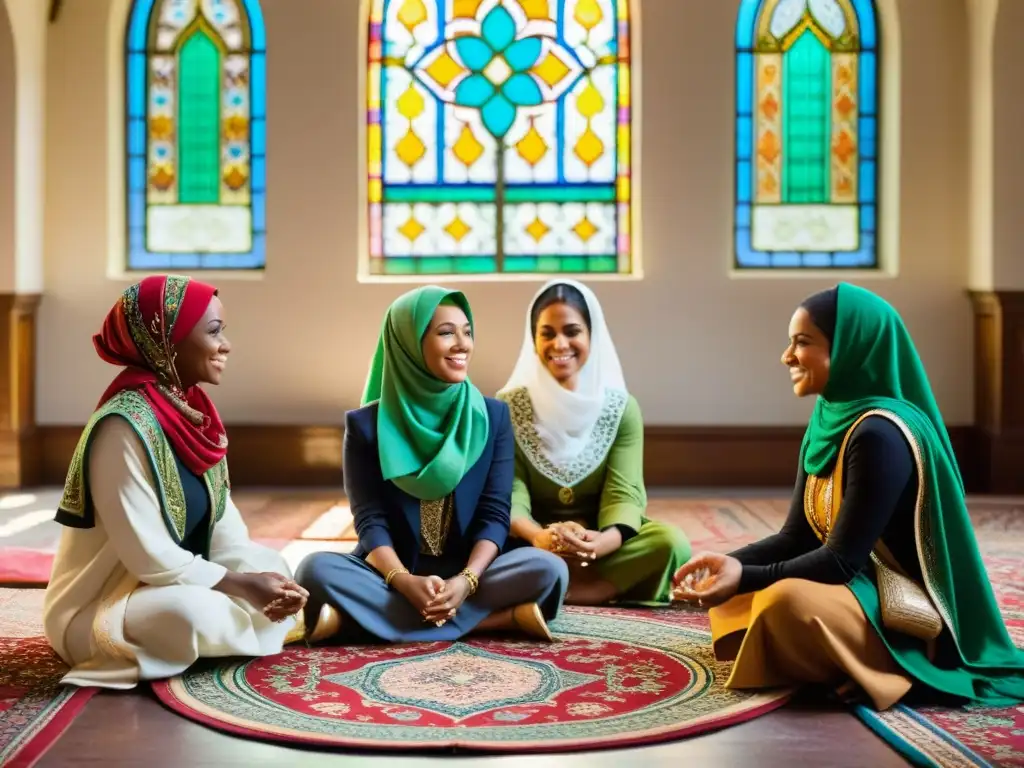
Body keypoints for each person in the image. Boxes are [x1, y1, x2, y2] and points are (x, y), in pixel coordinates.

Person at [672, 283, 1024, 710]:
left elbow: (840, 561)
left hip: (904, 611)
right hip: (854, 587)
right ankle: (838, 662)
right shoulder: (831, 416)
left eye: (803, 343)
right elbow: (795, 537)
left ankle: (898, 671)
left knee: (784, 602)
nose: (787, 357)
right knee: (748, 594)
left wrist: (745, 577)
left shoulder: (881, 432)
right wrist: (731, 564)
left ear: (851, 348)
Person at [43, 275, 307, 689]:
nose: (226, 345)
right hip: (108, 602)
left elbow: (224, 530)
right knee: (189, 612)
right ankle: (233, 630)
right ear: (167, 340)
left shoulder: (193, 413)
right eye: (215, 332)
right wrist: (241, 586)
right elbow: (147, 556)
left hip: (177, 582)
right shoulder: (122, 426)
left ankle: (230, 629)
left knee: (275, 567)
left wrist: (260, 580)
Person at [295, 286, 568, 644]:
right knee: (314, 569)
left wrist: (465, 582)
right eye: (445, 333)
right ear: (408, 344)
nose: (462, 344)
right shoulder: (365, 426)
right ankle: (500, 620)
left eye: (467, 331)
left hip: (470, 571)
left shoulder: (492, 416)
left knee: (549, 568)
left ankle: (357, 624)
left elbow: (494, 515)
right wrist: (404, 582)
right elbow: (370, 519)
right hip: (392, 573)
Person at [498, 279, 690, 605]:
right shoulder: (507, 406)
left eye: (572, 331)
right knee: (481, 544)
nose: (560, 344)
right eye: (548, 333)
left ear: (591, 335)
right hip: (532, 541)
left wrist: (603, 542)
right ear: (534, 339)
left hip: (599, 541)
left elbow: (624, 492)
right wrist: (538, 536)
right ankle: (576, 581)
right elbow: (511, 490)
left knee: (670, 542)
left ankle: (587, 591)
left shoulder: (620, 408)